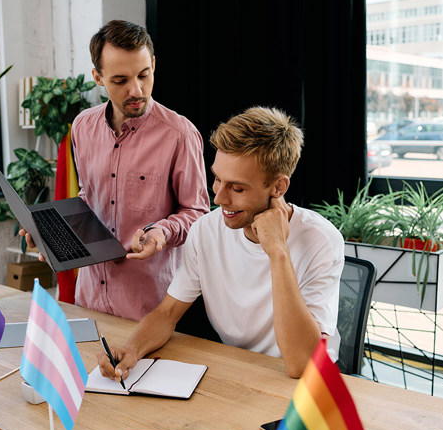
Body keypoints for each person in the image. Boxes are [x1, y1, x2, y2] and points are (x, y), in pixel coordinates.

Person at [97, 106, 344, 379]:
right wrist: (132, 350)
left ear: (278, 187)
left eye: (237, 188)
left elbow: (301, 366)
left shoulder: (322, 240)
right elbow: (167, 313)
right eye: (217, 179)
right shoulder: (206, 231)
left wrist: (278, 252)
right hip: (241, 371)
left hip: (309, 386)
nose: (219, 199)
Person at [23, 20, 209, 321]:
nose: (136, 90)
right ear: (98, 77)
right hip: (88, 300)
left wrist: (162, 231)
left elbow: (198, 212)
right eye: (120, 80)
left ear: (153, 65)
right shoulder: (82, 126)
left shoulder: (180, 134)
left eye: (144, 75)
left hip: (152, 310)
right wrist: (49, 230)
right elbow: (89, 196)